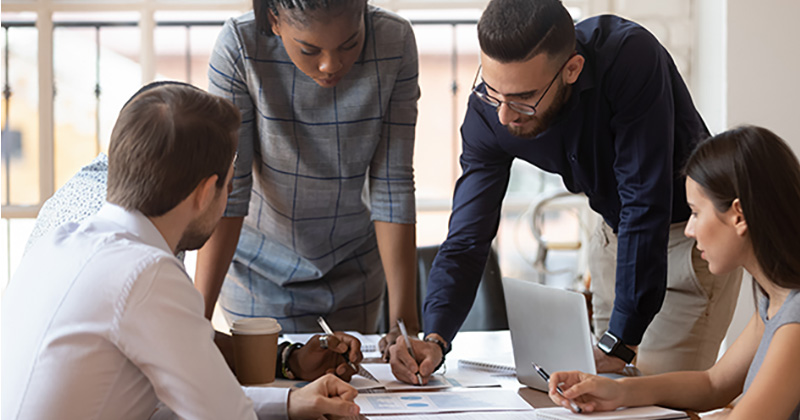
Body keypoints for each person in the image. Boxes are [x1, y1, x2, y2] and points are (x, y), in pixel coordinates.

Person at [388, 0, 742, 383]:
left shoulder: (629, 57)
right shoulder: (488, 113)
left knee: (660, 400)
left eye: (524, 98)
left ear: (572, 69)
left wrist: (620, 342)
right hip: (614, 237)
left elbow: (644, 200)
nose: (504, 116)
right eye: (493, 91)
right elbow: (466, 238)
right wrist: (436, 338)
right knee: (605, 397)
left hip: (688, 241)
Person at [2, 81, 362, 420]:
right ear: (206, 192)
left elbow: (186, 394)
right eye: (229, 187)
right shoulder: (145, 271)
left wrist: (289, 402)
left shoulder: (62, 242)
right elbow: (224, 415)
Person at [200, 0, 421, 349]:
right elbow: (231, 189)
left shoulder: (395, 41)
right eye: (309, 49)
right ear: (274, 20)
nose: (331, 65)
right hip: (259, 272)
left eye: (350, 43)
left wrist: (404, 327)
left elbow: (392, 184)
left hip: (355, 268)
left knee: (350, 393)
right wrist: (197, 320)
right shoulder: (240, 46)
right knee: (274, 390)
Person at [547, 125, 800, 420]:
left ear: (738, 215)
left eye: (695, 212)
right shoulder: (775, 297)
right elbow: (713, 384)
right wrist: (618, 392)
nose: (689, 230)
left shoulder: (795, 318)